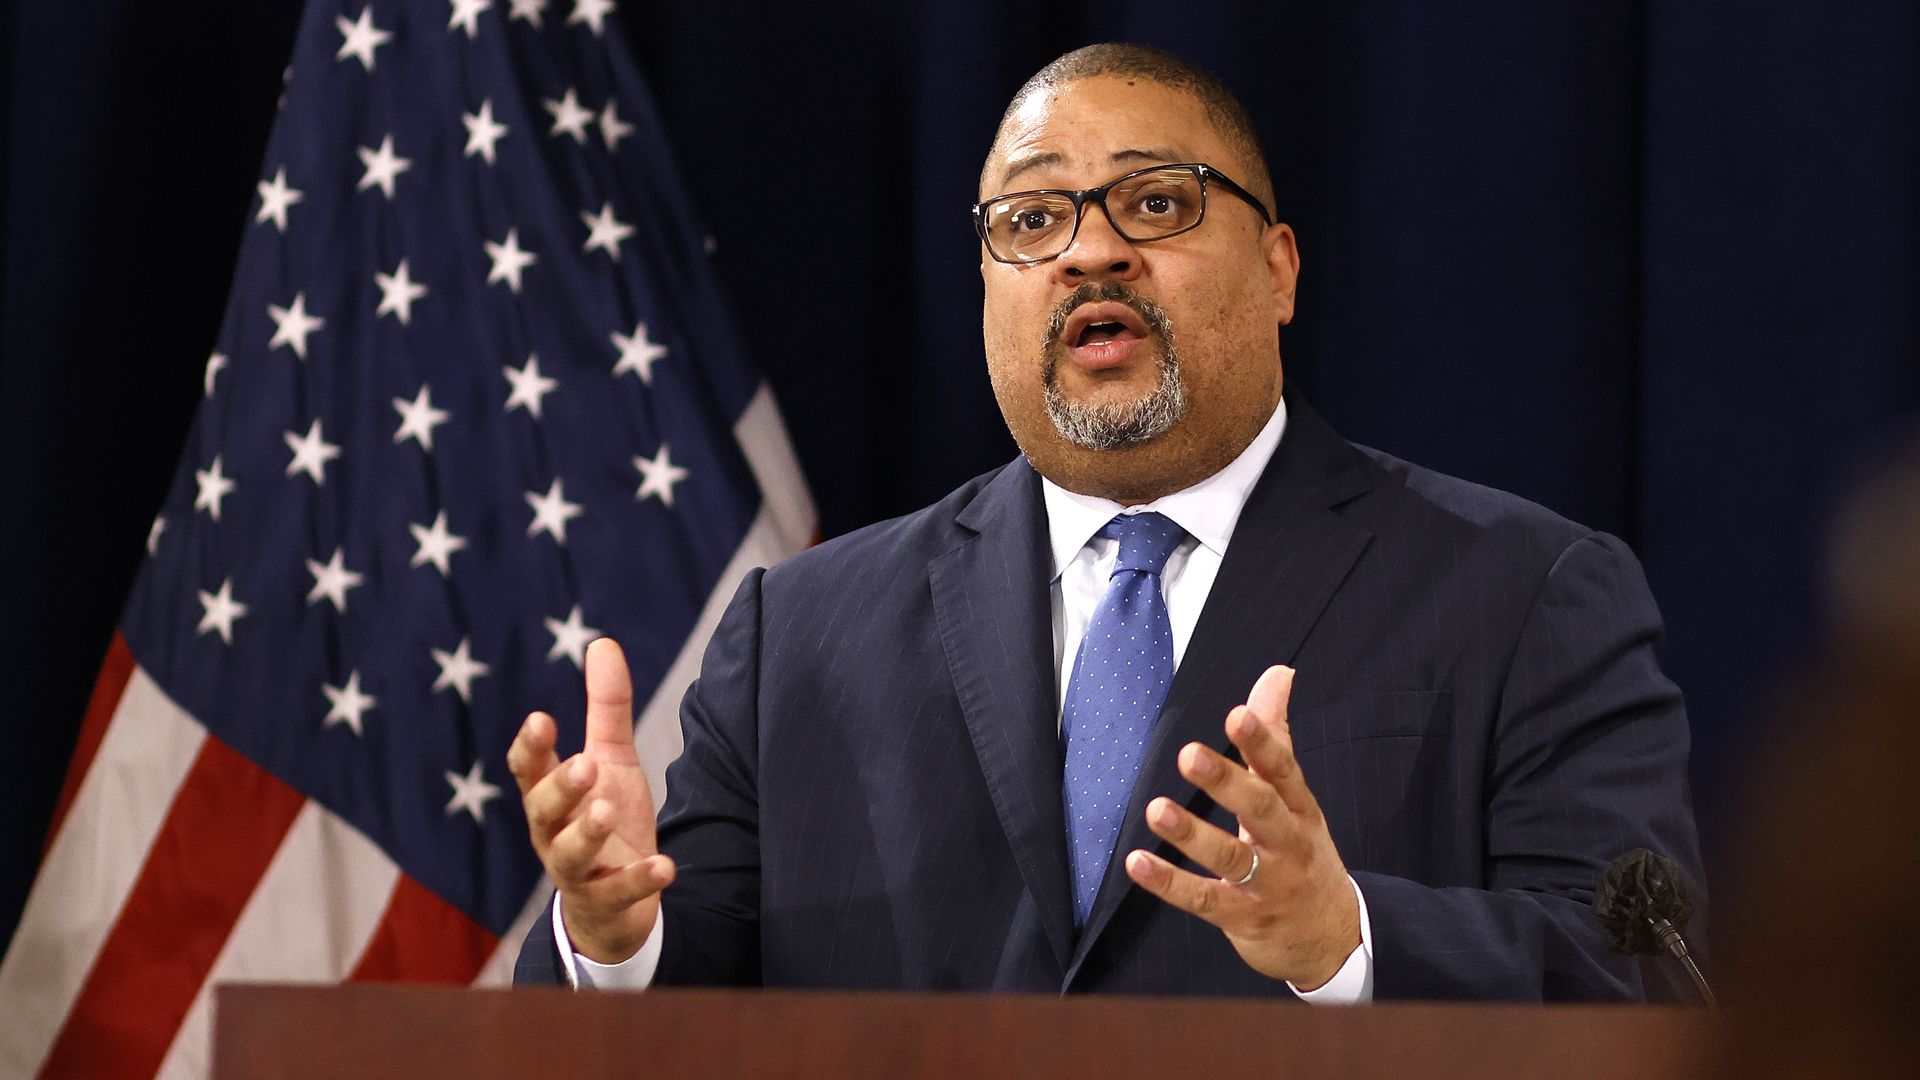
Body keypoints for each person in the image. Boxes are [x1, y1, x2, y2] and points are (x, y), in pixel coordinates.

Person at [509, 42, 1702, 1000]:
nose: (1091, 251)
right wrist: (612, 938)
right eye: (1031, 221)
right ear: (987, 286)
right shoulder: (798, 631)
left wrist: (1347, 940)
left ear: (1279, 270)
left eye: (1156, 202)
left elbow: (1643, 981)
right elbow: (692, 982)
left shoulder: (1525, 590)